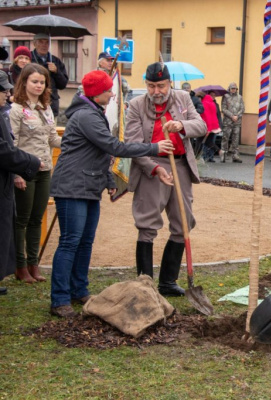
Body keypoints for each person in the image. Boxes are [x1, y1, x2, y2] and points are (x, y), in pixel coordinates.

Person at [49, 70, 174, 317]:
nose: (112, 94)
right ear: (98, 93)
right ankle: (60, 299)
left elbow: (98, 153)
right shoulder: (86, 116)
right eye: (109, 90)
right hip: (72, 187)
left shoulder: (93, 113)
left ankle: (78, 290)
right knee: (70, 242)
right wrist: (154, 147)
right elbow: (113, 146)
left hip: (88, 186)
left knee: (85, 242)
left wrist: (108, 179)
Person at [125, 62, 206, 297]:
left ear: (169, 84)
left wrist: (181, 125)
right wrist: (153, 167)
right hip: (151, 165)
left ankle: (168, 282)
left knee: (183, 223)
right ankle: (145, 284)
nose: (156, 91)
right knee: (147, 224)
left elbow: (201, 125)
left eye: (160, 86)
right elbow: (132, 144)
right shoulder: (136, 105)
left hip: (180, 164)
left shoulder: (182, 98)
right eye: (151, 86)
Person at [9, 63, 62, 283]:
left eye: (42, 82)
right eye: (35, 82)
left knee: (37, 218)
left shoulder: (46, 108)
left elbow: (52, 139)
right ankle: (19, 266)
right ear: (24, 82)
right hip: (24, 170)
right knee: (21, 219)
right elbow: (12, 144)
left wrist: (75, 141)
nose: (39, 86)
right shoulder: (16, 109)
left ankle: (34, 264)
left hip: (44, 169)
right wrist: (16, 174)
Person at [0, 71, 41, 296]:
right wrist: (29, 163)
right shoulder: (11, 112)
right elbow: (5, 149)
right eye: (3, 90)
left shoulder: (1, 113)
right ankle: (20, 266)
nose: (7, 94)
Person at [30, 33, 69, 117]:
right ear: (34, 44)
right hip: (32, 105)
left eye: (47, 42)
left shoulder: (55, 61)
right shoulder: (29, 59)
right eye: (41, 42)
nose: (44, 45)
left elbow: (63, 84)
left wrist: (56, 71)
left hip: (51, 105)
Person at [220, 82, 244, 163]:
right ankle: (223, 154)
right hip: (228, 122)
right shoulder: (225, 97)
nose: (233, 90)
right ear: (229, 89)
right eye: (232, 88)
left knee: (235, 138)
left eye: (235, 88)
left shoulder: (239, 97)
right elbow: (223, 108)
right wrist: (231, 116)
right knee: (225, 138)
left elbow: (242, 108)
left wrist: (237, 116)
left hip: (237, 122)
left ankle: (235, 155)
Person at [197, 90, 223, 162]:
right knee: (209, 142)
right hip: (214, 126)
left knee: (199, 141)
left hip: (207, 126)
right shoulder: (212, 103)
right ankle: (219, 151)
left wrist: (207, 128)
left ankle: (197, 157)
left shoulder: (203, 103)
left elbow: (204, 116)